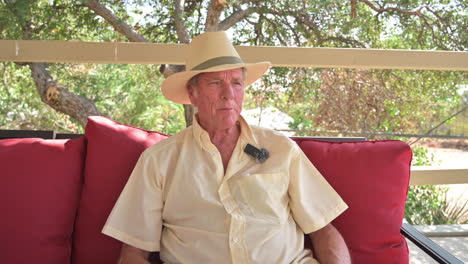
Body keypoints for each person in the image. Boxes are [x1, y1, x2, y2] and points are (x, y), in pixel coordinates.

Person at [102, 31, 351, 264]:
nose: (228, 94)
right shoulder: (159, 160)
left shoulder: (281, 149)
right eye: (215, 84)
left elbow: (323, 229)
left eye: (236, 83)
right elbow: (133, 254)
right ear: (193, 93)